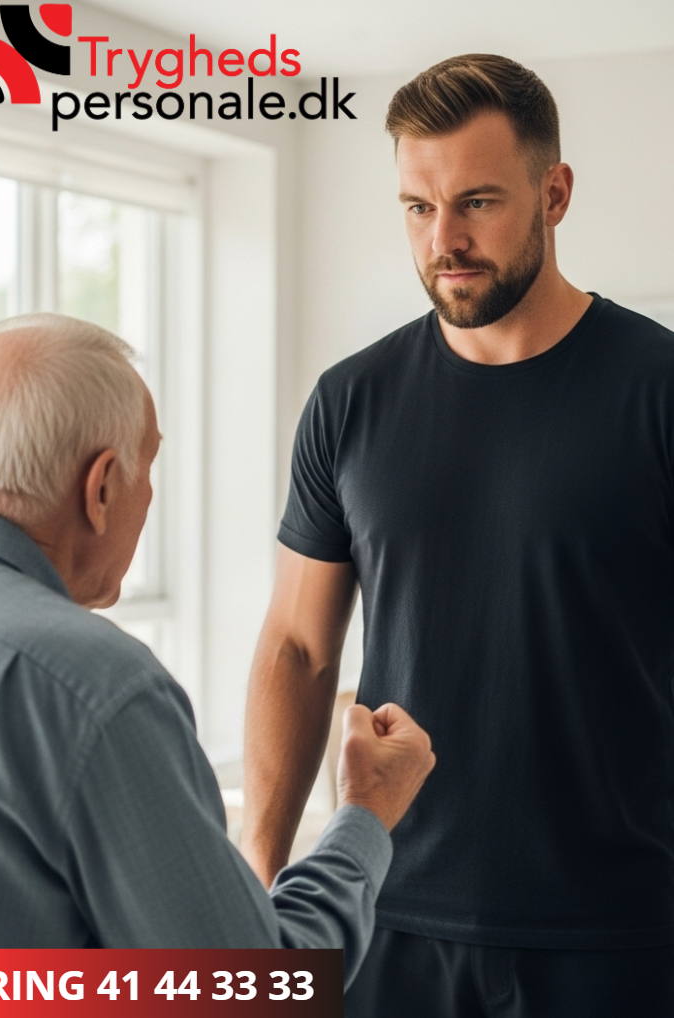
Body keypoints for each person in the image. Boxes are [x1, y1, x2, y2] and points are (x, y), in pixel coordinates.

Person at [240, 52, 674, 1016]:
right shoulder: (350, 402)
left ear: (554, 193)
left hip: (623, 932)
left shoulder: (657, 390)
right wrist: (258, 887)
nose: (446, 240)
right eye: (418, 207)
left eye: (477, 202)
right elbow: (301, 647)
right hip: (387, 919)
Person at [0, 312, 435, 985]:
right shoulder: (92, 689)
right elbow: (246, 994)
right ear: (100, 488)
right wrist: (365, 813)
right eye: (148, 466)